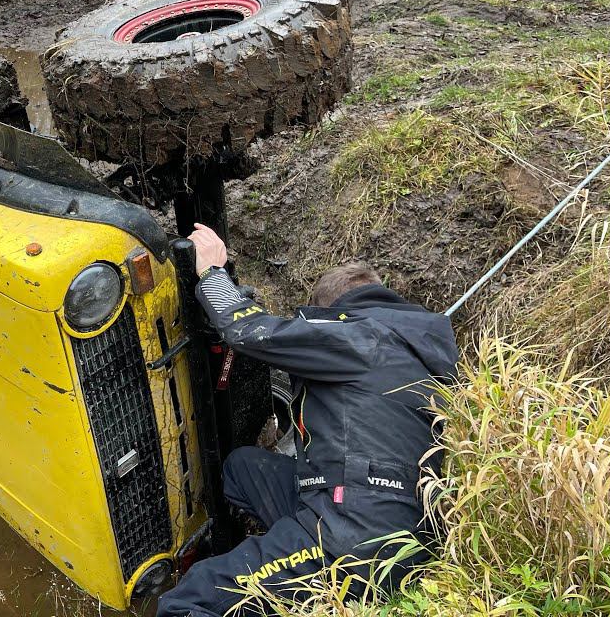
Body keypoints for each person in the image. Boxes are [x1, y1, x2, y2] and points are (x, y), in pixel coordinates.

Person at [157, 224, 459, 617]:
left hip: (354, 531)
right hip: (405, 525)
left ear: (330, 313)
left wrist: (212, 272)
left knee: (188, 598)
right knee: (242, 468)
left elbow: (248, 329)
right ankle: (264, 563)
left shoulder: (353, 335)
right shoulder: (412, 348)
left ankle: (259, 580)